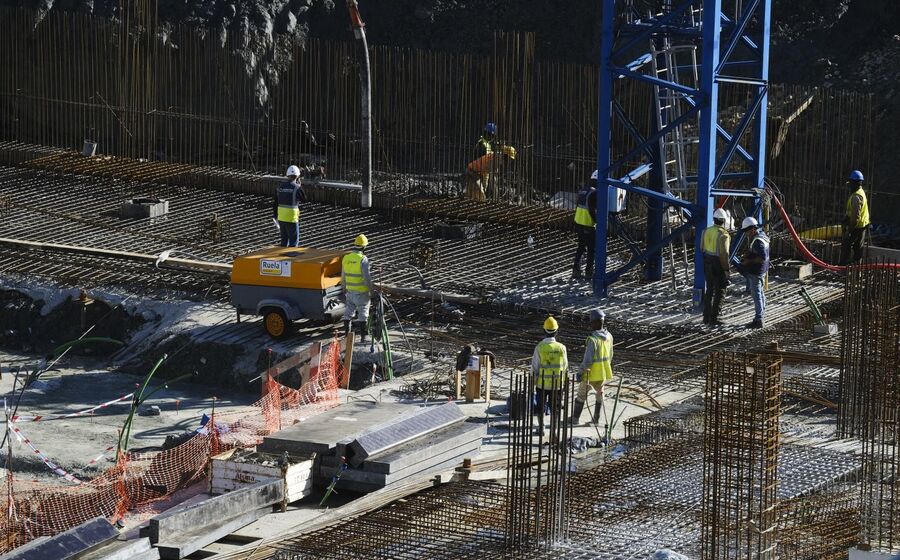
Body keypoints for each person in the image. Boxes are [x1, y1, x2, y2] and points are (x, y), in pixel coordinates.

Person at [571, 309, 613, 426]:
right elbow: (610, 355)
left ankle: (575, 419)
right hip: (603, 373)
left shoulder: (593, 339)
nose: (590, 325)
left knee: (581, 394)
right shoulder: (609, 336)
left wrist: (580, 372)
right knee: (600, 395)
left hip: (590, 374)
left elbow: (587, 361)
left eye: (592, 322)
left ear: (596, 322)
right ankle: (596, 420)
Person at [531, 316, 568, 434]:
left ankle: (541, 429)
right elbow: (565, 366)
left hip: (542, 384)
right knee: (555, 408)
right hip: (557, 384)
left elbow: (535, 367)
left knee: (541, 407)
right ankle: (554, 430)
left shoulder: (540, 347)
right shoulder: (562, 348)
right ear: (557, 332)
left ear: (544, 331)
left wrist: (533, 382)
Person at [701, 208, 731, 325]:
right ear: (723, 220)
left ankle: (706, 317)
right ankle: (714, 318)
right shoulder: (724, 235)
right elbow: (724, 254)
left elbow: (701, 248)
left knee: (709, 290)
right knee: (720, 291)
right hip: (718, 265)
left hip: (707, 263)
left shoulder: (706, 231)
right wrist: (726, 269)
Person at [342, 234, 373, 342]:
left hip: (350, 291)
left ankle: (346, 335)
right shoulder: (363, 259)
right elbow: (367, 277)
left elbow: (343, 275)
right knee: (363, 312)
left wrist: (343, 288)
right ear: (364, 247)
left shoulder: (346, 257)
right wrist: (371, 291)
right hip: (362, 292)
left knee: (348, 312)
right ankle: (364, 337)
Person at [739, 217, 769, 329]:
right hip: (762, 270)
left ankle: (758, 319)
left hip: (756, 271)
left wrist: (748, 261)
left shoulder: (757, 241)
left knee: (757, 295)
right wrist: (748, 255)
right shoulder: (762, 236)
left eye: (746, 231)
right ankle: (761, 314)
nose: (745, 234)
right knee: (760, 293)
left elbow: (762, 257)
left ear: (752, 230)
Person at [840, 169, 870, 265]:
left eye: (850, 183)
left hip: (857, 226)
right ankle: (856, 268)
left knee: (846, 244)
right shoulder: (860, 192)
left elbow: (855, 217)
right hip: (863, 224)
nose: (849, 186)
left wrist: (849, 230)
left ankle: (843, 266)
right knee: (858, 247)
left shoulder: (856, 197)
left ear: (855, 183)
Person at [572, 171, 598, 280]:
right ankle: (589, 272)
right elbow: (592, 210)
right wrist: (597, 221)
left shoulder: (583, 190)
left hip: (578, 223)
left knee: (581, 247)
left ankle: (576, 269)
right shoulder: (594, 193)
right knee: (591, 249)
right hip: (588, 224)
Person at [274, 165, 307, 247]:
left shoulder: (280, 187)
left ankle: (281, 258)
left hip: (281, 217)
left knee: (284, 240)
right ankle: (291, 259)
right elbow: (304, 199)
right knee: (293, 241)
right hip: (291, 218)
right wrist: (300, 186)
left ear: (287, 175)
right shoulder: (297, 187)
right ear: (298, 176)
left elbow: (275, 202)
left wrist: (275, 216)